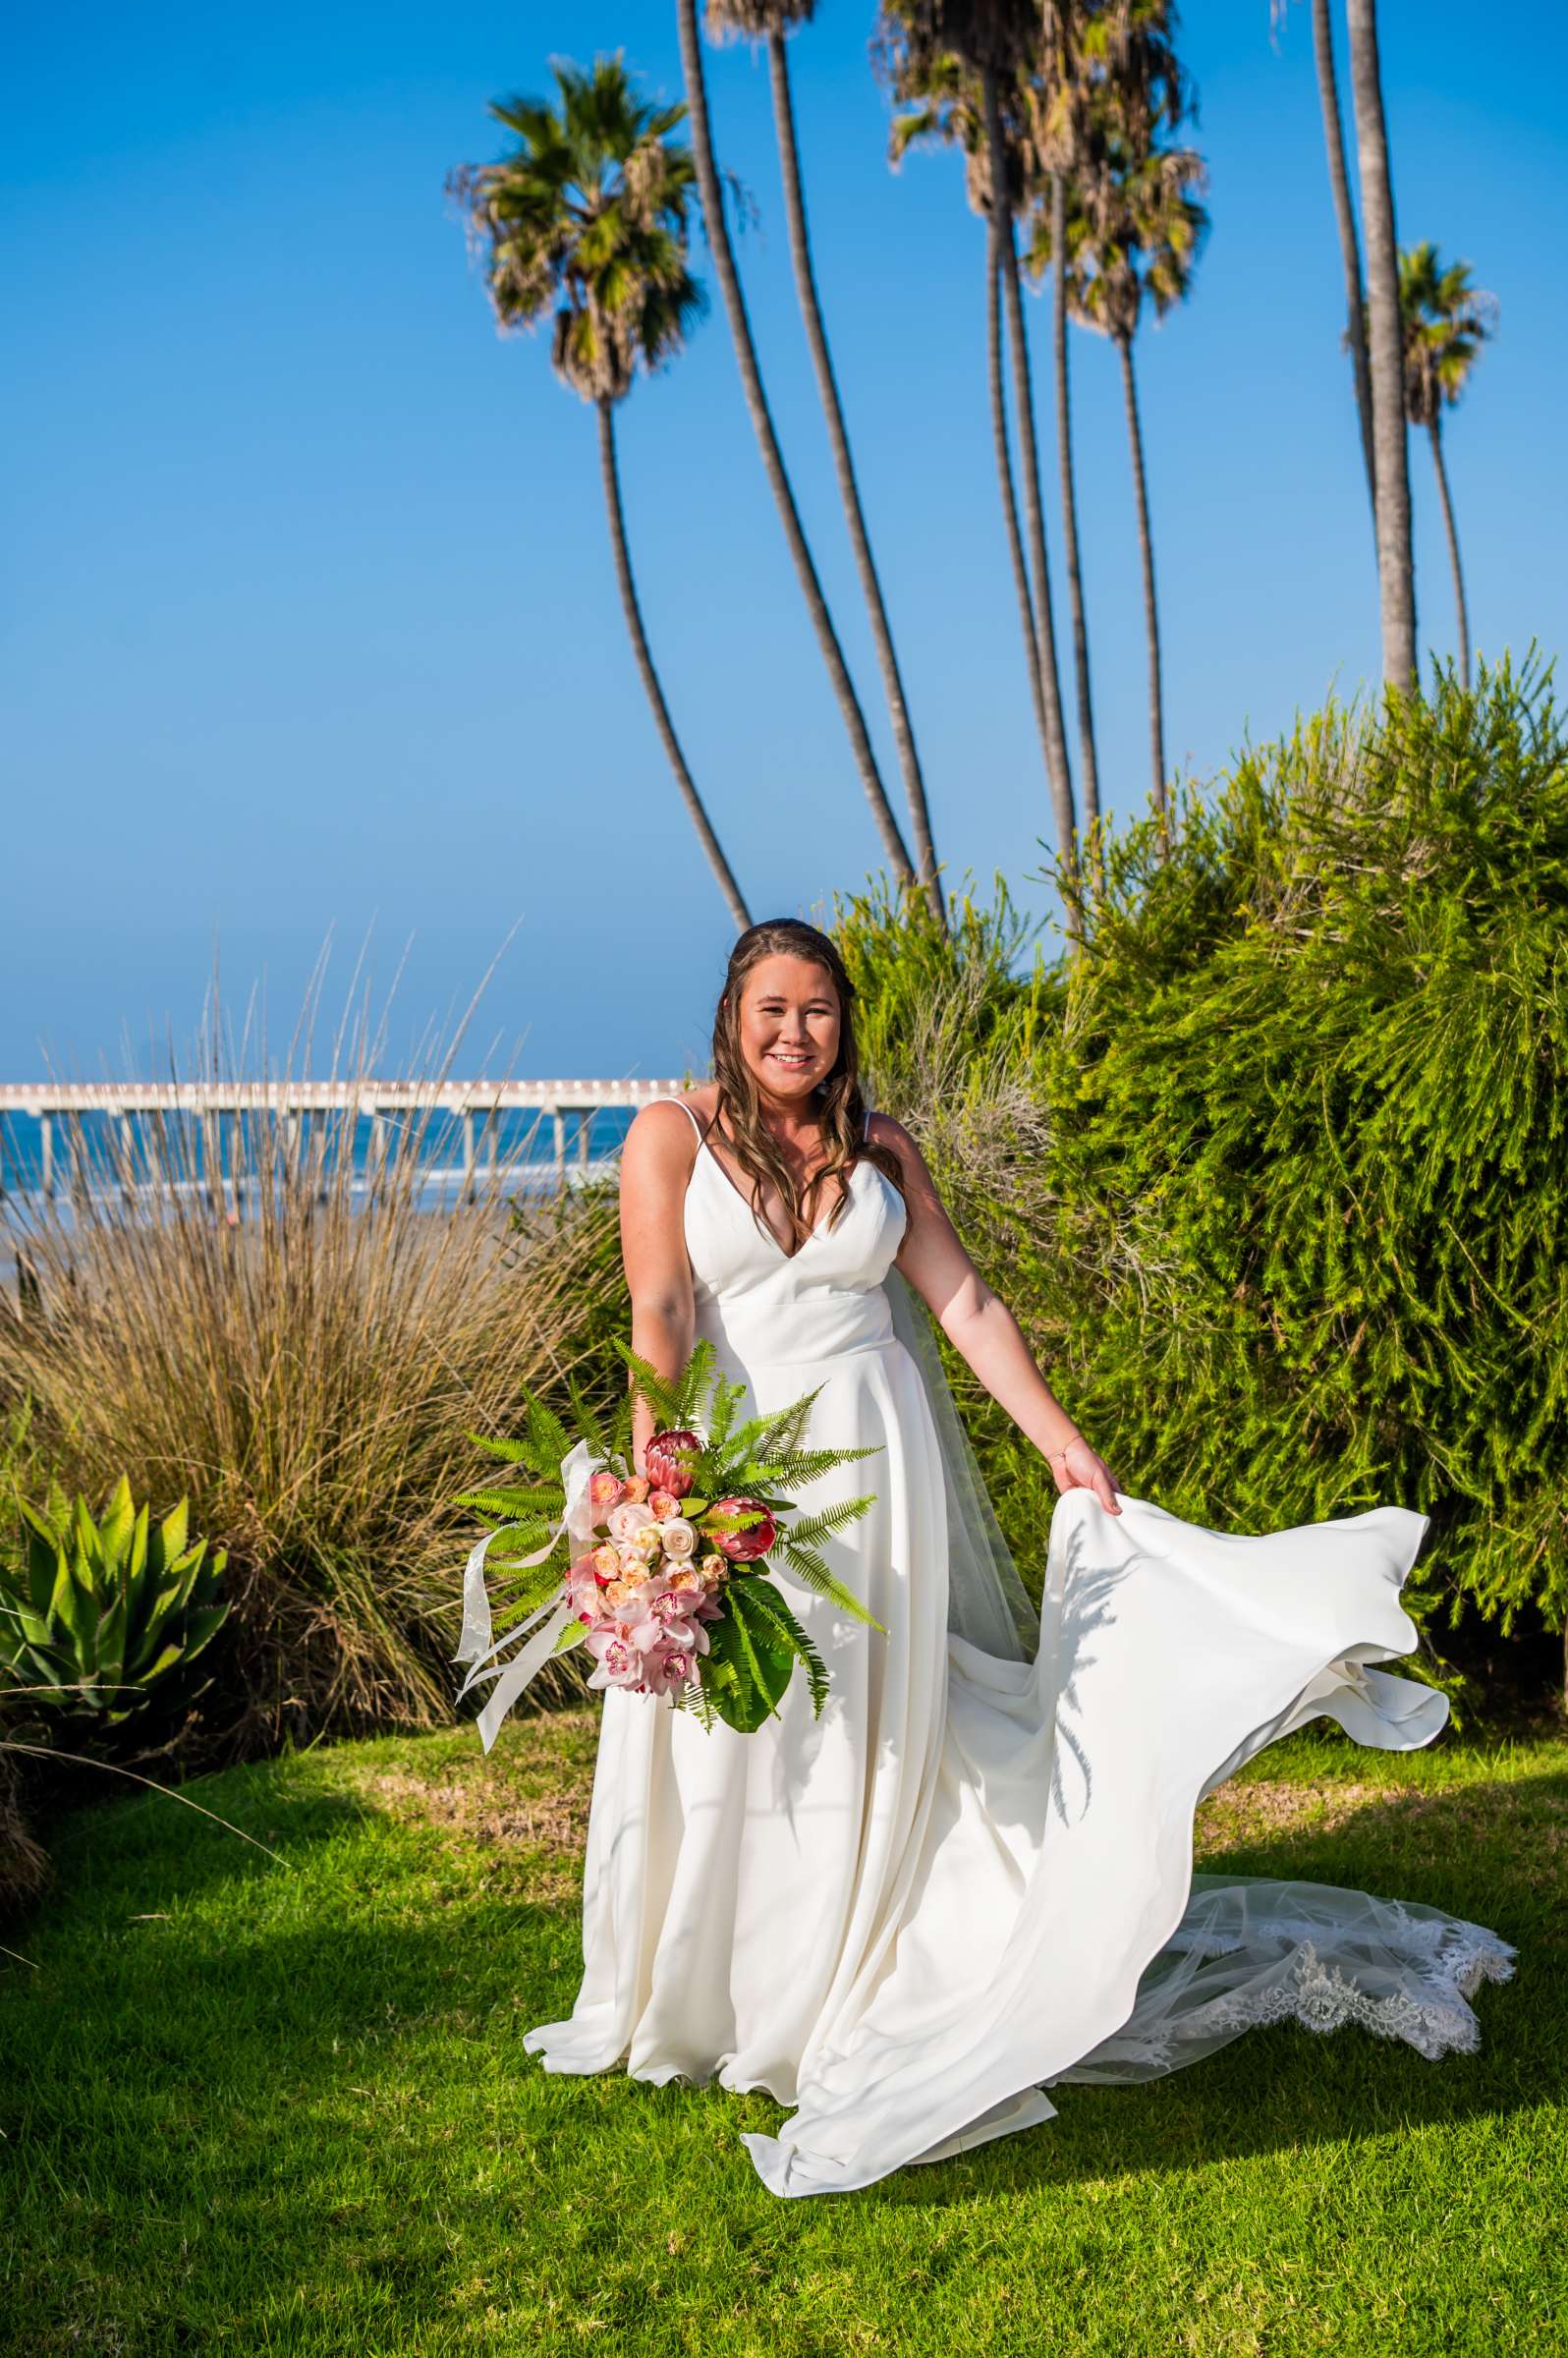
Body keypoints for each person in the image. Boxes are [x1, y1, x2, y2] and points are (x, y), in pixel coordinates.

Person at [524, 917, 1514, 2197]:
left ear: (843, 1022)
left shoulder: (880, 1149)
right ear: (731, 1011)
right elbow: (659, 1306)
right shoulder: (669, 1136)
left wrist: (1065, 1446)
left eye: (818, 1009)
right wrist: (656, 1479)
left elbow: (967, 1304)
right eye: (771, 1007)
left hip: (878, 1476)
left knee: (875, 1716)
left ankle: (849, 1963)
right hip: (735, 1470)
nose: (793, 1031)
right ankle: (721, 1987)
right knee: (748, 1721)